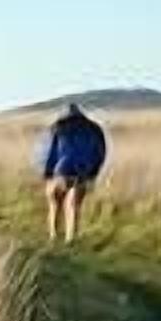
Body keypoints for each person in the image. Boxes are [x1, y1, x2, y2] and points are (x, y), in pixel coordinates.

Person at [40, 102, 108, 242]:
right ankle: (71, 239)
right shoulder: (94, 129)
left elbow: (50, 152)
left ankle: (54, 236)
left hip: (61, 170)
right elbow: (100, 152)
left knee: (54, 203)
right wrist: (94, 172)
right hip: (83, 171)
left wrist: (47, 173)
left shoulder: (58, 127)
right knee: (74, 205)